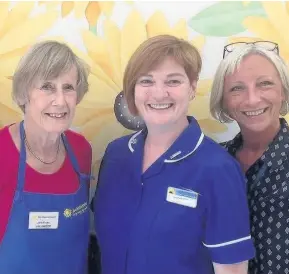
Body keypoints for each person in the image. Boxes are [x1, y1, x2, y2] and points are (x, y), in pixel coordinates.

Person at [94, 34, 255, 274]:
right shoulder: (115, 154)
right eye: (146, 81)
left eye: (173, 81)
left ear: (192, 88)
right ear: (133, 90)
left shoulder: (218, 169)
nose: (159, 94)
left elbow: (231, 270)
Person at [210, 41, 289, 274]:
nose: (252, 99)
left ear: (283, 91)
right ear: (223, 100)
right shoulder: (211, 161)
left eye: (265, 84)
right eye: (237, 88)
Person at [0, 41, 92, 274]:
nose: (60, 101)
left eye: (68, 87)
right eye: (47, 87)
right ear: (24, 94)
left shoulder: (81, 150)